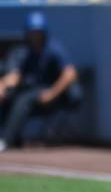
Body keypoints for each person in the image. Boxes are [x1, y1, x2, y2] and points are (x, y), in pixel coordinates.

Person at [0, 12, 80, 151]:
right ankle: (14, 138)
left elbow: (70, 73)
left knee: (23, 100)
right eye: (32, 32)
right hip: (34, 91)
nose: (35, 36)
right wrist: (2, 84)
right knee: (11, 97)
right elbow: (16, 75)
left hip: (52, 91)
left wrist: (52, 93)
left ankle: (5, 140)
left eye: (38, 32)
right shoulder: (26, 51)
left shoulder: (53, 48)